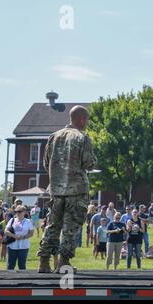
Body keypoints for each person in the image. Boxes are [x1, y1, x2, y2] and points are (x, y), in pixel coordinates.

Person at [37, 105, 96, 273]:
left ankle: (44, 262)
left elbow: (46, 164)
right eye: (86, 119)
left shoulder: (53, 137)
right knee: (70, 228)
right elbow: (89, 163)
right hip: (76, 190)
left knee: (52, 225)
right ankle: (63, 263)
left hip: (55, 189)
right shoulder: (82, 138)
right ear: (81, 118)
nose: (87, 122)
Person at [5, 205, 34, 270]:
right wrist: (15, 236)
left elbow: (31, 233)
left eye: (19, 211)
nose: (17, 213)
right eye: (16, 211)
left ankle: (23, 280)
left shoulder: (28, 221)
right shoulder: (12, 220)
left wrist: (23, 237)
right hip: (12, 246)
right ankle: (9, 280)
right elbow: (6, 231)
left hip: (24, 247)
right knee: (10, 266)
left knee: (22, 266)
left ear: (24, 212)